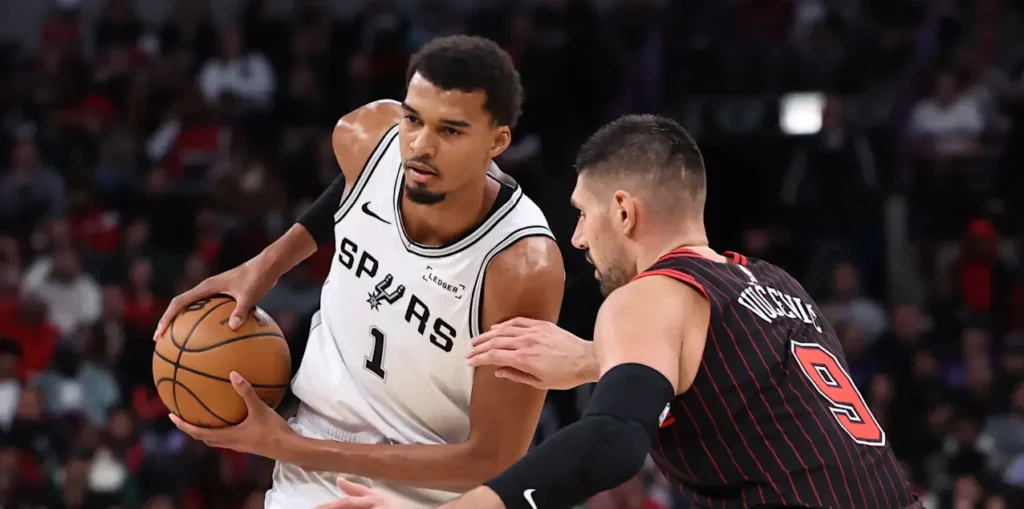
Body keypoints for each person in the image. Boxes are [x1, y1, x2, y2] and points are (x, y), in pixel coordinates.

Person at [317, 114, 920, 509]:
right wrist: (590, 358)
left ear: (625, 212)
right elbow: (721, 375)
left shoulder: (648, 295)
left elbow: (611, 442)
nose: (577, 238)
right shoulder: (773, 284)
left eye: (583, 213)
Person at [151, 35, 565, 509]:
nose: (420, 147)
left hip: (433, 495)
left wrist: (292, 447)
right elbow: (352, 189)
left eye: (450, 131)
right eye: (412, 119)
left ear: (497, 141)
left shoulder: (519, 267)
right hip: (309, 465)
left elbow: (492, 459)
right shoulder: (365, 138)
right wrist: (268, 263)